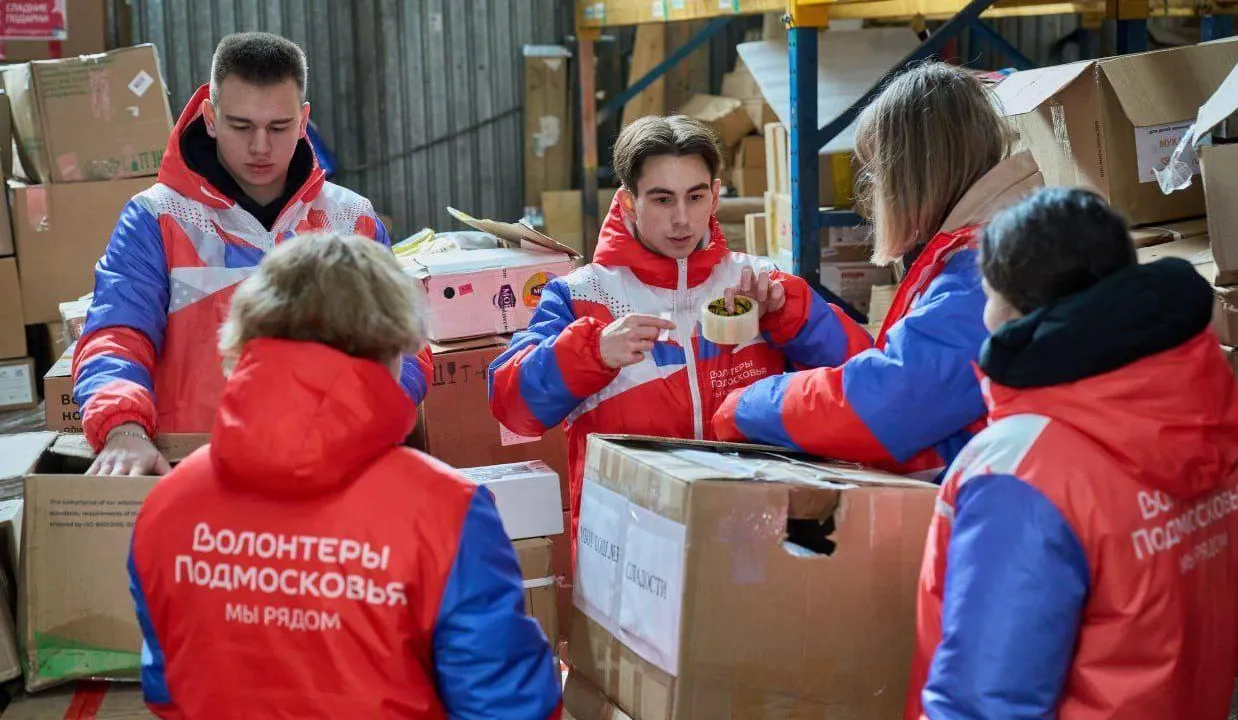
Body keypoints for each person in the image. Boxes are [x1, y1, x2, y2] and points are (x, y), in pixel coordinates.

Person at [127, 232, 563, 719]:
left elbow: (168, 688)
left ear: (245, 337)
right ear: (393, 344)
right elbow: (506, 706)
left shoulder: (166, 508)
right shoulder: (446, 512)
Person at [907, 188, 1238, 719]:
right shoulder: (1201, 412)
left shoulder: (1022, 473)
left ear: (1016, 311)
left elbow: (985, 702)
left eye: (988, 295)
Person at [488, 114, 867, 545]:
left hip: (751, 539)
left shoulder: (762, 282)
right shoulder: (580, 295)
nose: (683, 219)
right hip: (628, 552)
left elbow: (862, 374)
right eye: (663, 200)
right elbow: (512, 406)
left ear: (716, 197)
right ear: (629, 202)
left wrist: (790, 317)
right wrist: (593, 352)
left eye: (696, 196)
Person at [74, 32, 430, 476]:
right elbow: (116, 334)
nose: (260, 147)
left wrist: (372, 423)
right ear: (209, 116)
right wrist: (123, 429)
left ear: (304, 122)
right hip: (193, 473)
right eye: (241, 126)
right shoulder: (157, 217)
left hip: (333, 476)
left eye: (278, 127)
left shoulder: (350, 219)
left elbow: (407, 347)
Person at [713, 62, 1043, 479]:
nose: (872, 190)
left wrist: (747, 406)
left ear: (912, 174)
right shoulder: (990, 245)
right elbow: (894, 367)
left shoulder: (984, 276)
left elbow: (885, 404)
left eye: (876, 171)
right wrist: (796, 316)